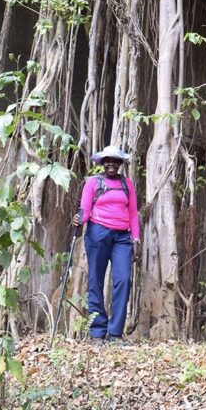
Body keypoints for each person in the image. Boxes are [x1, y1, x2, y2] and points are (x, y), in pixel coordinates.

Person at [72, 145, 141, 345]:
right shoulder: (93, 182)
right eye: (107, 160)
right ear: (102, 163)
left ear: (120, 163)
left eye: (115, 160)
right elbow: (85, 210)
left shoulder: (127, 184)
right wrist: (78, 219)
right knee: (96, 281)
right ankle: (97, 332)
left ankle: (115, 333)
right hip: (98, 233)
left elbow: (133, 213)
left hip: (122, 237)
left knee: (123, 280)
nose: (111, 163)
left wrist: (135, 238)